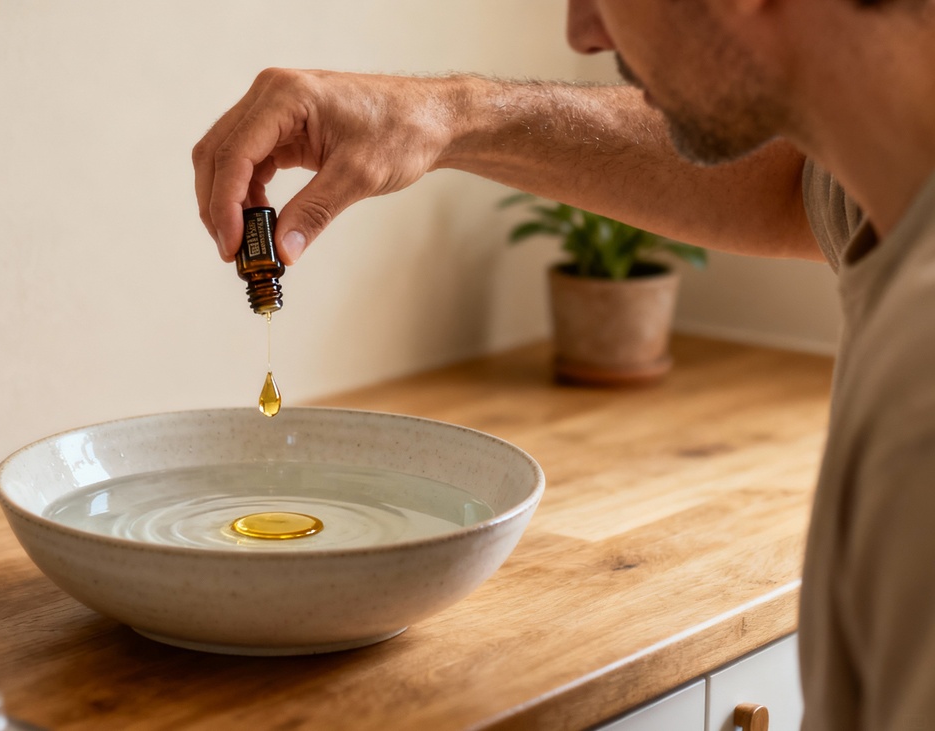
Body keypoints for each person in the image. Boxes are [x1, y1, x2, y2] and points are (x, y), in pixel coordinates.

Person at [192, 1, 935, 729]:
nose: (583, 32)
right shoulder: (894, 183)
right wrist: (450, 115)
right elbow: (788, 184)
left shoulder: (920, 394)